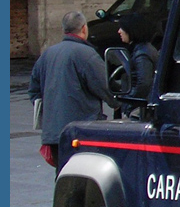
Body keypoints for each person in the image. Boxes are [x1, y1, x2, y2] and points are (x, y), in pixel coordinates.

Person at [28, 10, 119, 167]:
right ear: (84, 29)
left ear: (64, 30)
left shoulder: (47, 54)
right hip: (81, 131)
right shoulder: (86, 54)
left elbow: (34, 91)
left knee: (63, 175)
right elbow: (106, 88)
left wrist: (48, 113)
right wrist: (119, 102)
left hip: (53, 133)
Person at [117, 12, 159, 116]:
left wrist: (129, 103)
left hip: (140, 109)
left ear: (131, 30)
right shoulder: (142, 50)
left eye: (122, 28)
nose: (119, 31)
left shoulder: (142, 54)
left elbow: (144, 83)